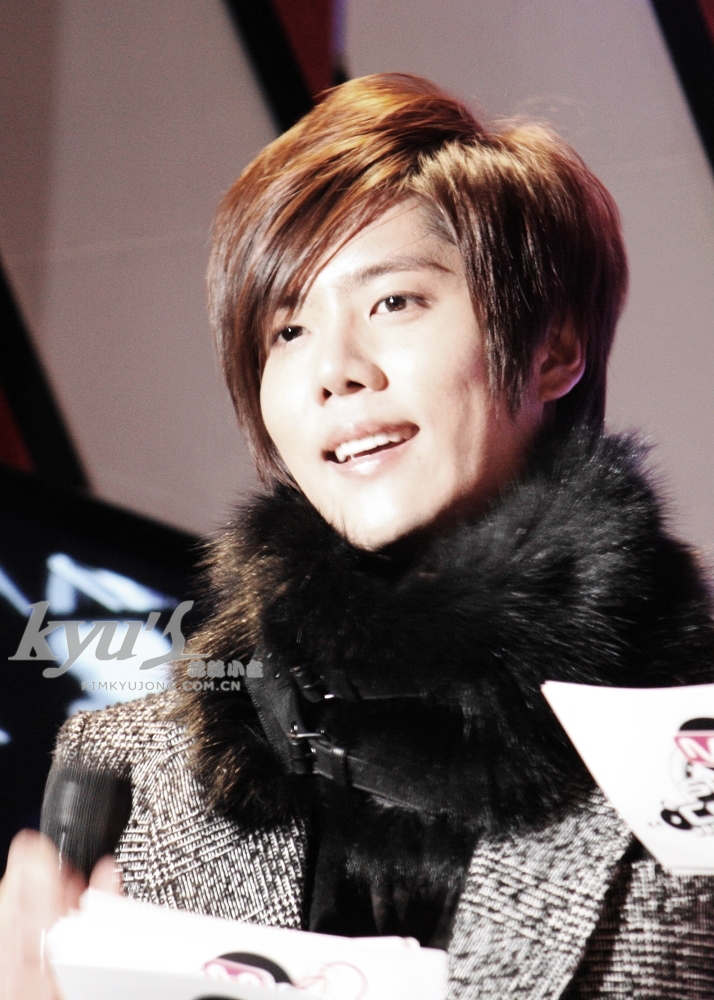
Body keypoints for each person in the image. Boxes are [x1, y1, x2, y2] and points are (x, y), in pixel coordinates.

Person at [1, 72, 713, 999]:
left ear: (554, 349)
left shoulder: (689, 739)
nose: (333, 371)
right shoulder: (135, 770)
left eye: (393, 303)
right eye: (287, 330)